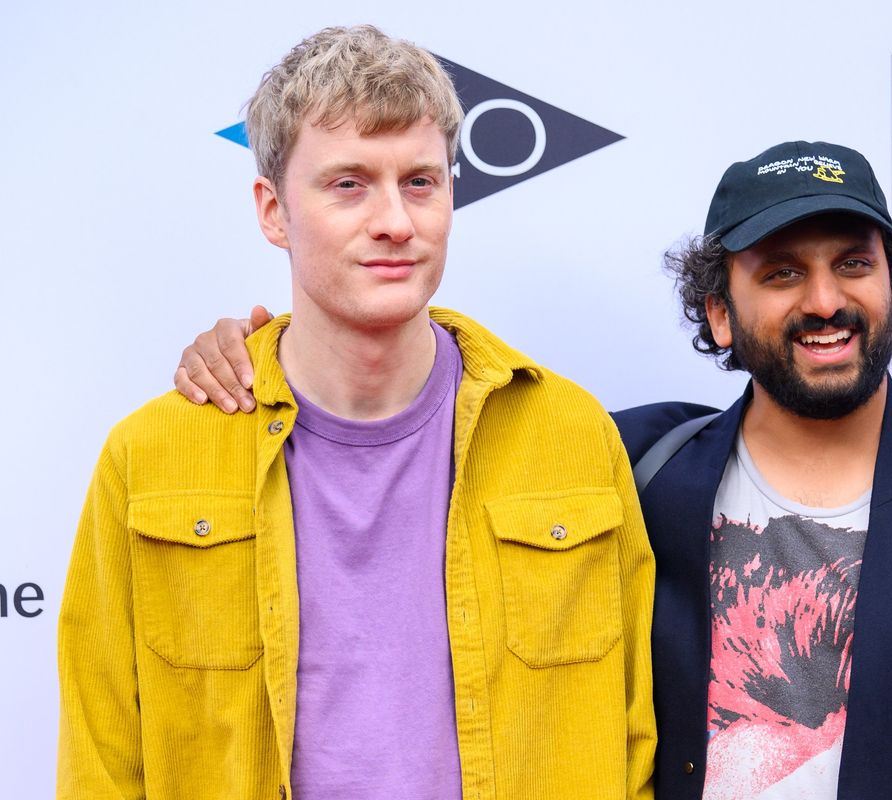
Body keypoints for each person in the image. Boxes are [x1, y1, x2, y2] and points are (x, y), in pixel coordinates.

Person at [175, 140, 892, 799]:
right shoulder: (630, 469)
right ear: (720, 312)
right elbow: (403, 418)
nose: (825, 299)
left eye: (854, 263)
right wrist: (257, 351)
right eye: (780, 272)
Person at [58, 26, 655, 800]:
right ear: (274, 212)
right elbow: (101, 758)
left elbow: (634, 739)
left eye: (420, 182)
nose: (395, 222)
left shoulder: (568, 434)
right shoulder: (152, 455)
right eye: (348, 184)